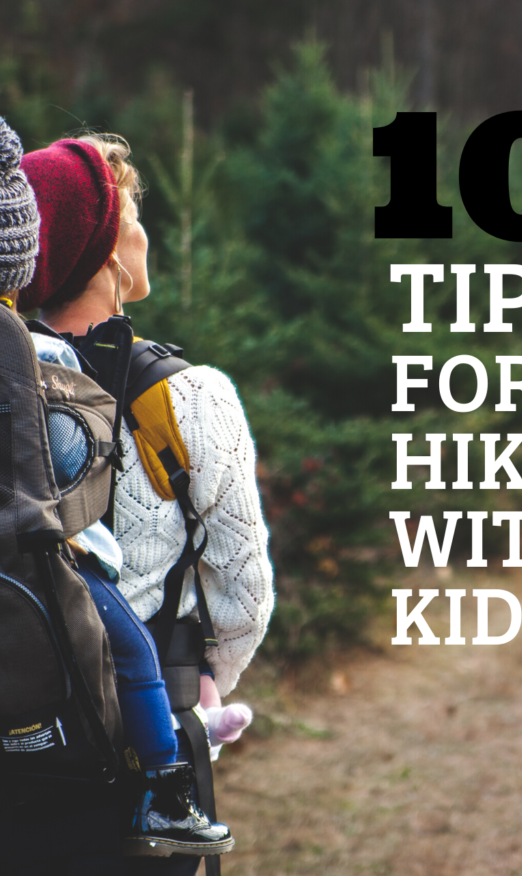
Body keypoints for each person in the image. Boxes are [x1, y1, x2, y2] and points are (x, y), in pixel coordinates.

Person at [16, 131, 274, 873]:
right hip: (139, 741)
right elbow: (243, 591)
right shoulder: (186, 397)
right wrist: (195, 690)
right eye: (131, 213)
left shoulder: (9, 387)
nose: (145, 231)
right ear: (101, 248)